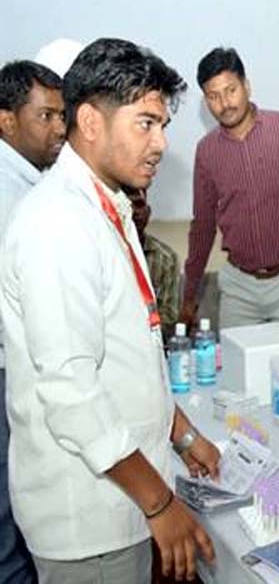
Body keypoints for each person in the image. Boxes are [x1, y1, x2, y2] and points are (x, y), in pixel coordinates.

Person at [0, 38, 219, 583]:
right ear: (91, 122)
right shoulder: (57, 223)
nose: (160, 143)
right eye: (145, 124)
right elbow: (71, 393)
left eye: (163, 125)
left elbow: (126, 356)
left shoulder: (107, 205)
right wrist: (160, 504)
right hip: (90, 520)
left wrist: (182, 435)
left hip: (123, 498)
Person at [181, 47, 279, 335]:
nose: (225, 103)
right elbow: (203, 227)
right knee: (237, 364)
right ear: (206, 101)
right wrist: (190, 294)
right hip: (239, 288)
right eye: (213, 96)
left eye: (231, 90)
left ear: (246, 86)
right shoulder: (207, 152)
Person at [0, 59, 65, 583]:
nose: (59, 128)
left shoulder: (32, 184)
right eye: (46, 116)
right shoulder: (10, 193)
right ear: (7, 121)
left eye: (62, 115)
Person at [125, 186, 181, 341]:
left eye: (138, 205)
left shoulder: (166, 258)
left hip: (150, 342)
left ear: (148, 212)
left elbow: (169, 317)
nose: (134, 212)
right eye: (127, 205)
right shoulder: (103, 252)